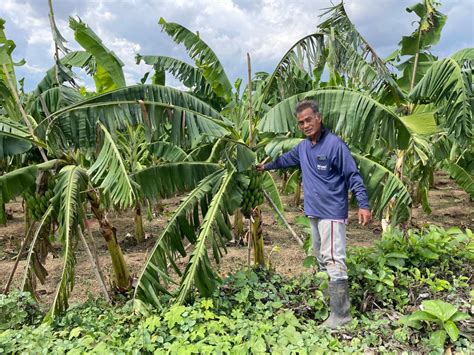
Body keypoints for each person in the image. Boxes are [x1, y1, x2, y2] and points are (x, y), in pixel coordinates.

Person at [256, 99, 371, 329]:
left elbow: (352, 175)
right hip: (314, 212)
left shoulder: (335, 145)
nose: (305, 125)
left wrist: (363, 204)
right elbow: (286, 160)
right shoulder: (303, 147)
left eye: (309, 120)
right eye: (301, 122)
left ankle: (342, 316)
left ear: (319, 118)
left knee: (333, 258)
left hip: (331, 212)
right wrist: (265, 167)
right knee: (320, 257)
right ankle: (330, 306)